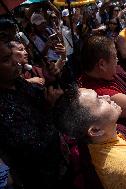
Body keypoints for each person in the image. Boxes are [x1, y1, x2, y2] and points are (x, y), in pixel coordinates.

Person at [0, 35, 67, 189]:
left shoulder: (18, 83)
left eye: (11, 55)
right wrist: (50, 107)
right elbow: (35, 147)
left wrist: (53, 78)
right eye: (5, 60)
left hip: (60, 165)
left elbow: (44, 98)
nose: (15, 62)